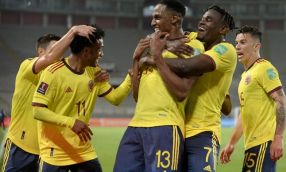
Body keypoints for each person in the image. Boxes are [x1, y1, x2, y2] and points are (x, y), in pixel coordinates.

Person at [114, 1, 204, 171]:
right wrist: (136, 60)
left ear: (175, 19)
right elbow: (137, 96)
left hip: (165, 127)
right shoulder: (153, 47)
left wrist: (156, 57)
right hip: (136, 125)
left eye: (157, 17)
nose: (152, 22)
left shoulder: (192, 47)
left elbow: (182, 91)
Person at [148, 5, 236, 171]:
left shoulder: (226, 50)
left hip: (202, 132)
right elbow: (167, 36)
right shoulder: (195, 39)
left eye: (209, 20)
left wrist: (155, 60)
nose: (202, 23)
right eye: (202, 19)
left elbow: (188, 66)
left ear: (223, 29)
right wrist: (168, 45)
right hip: (177, 131)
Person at [32, 25, 131, 172]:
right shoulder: (53, 73)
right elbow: (38, 111)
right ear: (86, 52)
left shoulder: (94, 71)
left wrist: (131, 76)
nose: (101, 54)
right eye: (98, 50)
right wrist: (71, 122)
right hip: (55, 151)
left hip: (82, 152)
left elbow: (115, 98)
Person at [2, 25, 96, 172]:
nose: (59, 56)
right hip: (20, 147)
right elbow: (50, 58)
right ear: (41, 51)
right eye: (55, 49)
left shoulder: (59, 76)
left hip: (48, 152)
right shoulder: (27, 66)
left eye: (62, 51)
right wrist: (73, 31)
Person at [220, 25, 286, 172]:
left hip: (264, 142)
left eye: (243, 42)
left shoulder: (264, 68)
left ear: (256, 46)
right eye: (236, 43)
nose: (237, 46)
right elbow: (245, 114)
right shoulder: (246, 75)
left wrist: (278, 138)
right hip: (252, 144)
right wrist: (231, 143)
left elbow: (281, 101)